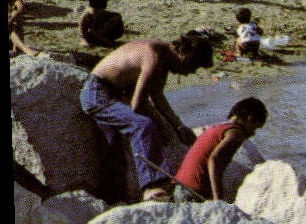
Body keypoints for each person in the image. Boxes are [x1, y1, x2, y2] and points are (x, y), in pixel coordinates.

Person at [81, 33, 215, 201]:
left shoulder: (164, 55)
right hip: (98, 94)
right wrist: (161, 129)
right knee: (143, 125)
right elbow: (138, 104)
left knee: (115, 152)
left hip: (112, 96)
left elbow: (157, 96)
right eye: (192, 68)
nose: (189, 74)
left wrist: (179, 126)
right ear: (185, 56)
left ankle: (116, 199)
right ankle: (152, 187)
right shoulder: (155, 55)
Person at [173, 97, 268, 202]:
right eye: (255, 127)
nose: (253, 133)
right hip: (195, 191)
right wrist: (218, 199)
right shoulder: (235, 133)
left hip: (180, 188)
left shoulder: (217, 128)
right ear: (250, 118)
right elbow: (215, 160)